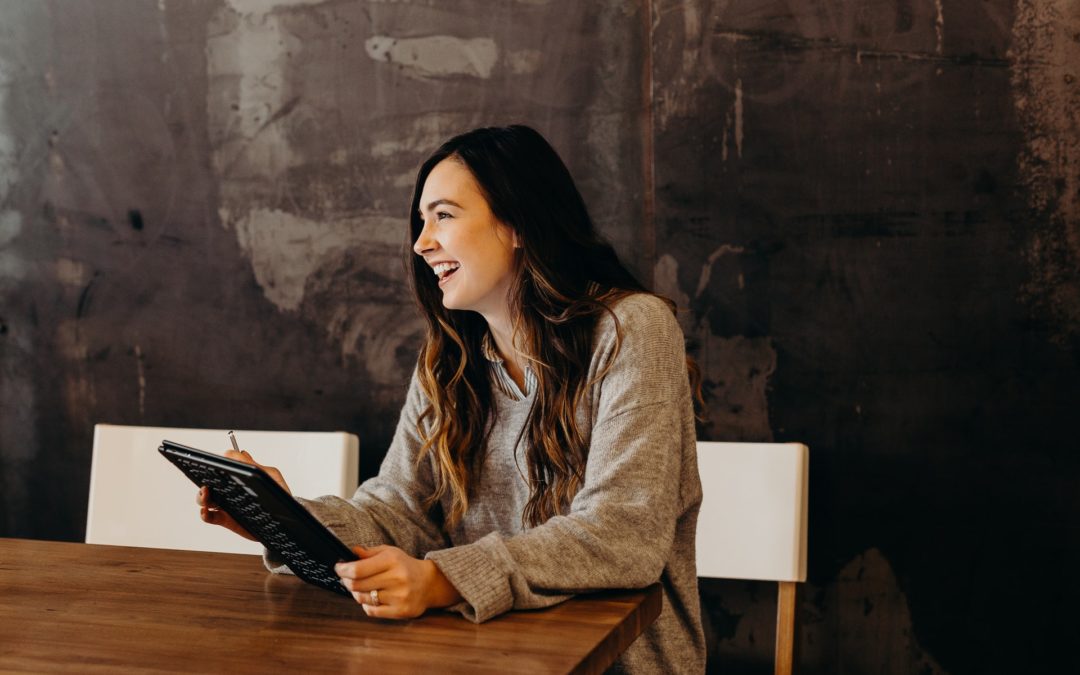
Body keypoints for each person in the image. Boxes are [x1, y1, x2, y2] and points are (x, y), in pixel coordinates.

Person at [198, 125, 706, 673]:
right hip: (482, 656)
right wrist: (285, 519)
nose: (421, 243)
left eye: (443, 215)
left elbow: (622, 532)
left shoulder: (631, 330)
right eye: (421, 222)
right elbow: (397, 513)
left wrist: (442, 580)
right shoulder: (448, 363)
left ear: (517, 224)